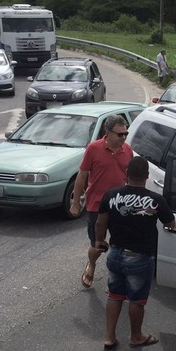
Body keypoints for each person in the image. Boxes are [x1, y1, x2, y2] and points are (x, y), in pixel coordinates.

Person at [95, 156, 176, 351]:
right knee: (136, 301)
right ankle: (136, 336)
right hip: (140, 257)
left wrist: (100, 241)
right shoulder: (156, 200)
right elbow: (170, 223)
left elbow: (100, 223)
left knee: (114, 296)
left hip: (114, 253)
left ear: (126, 173)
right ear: (147, 176)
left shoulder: (111, 195)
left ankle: (109, 338)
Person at [70, 114, 133, 289]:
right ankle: (92, 264)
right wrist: (76, 202)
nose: (124, 137)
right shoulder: (93, 148)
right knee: (97, 245)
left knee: (120, 245)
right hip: (96, 206)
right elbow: (82, 176)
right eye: (120, 134)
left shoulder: (127, 150)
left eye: (125, 133)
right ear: (108, 132)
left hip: (119, 207)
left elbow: (130, 178)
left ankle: (116, 279)